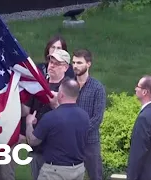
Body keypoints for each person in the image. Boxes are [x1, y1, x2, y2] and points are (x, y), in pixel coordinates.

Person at [26, 78, 89, 180]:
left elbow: (33, 141)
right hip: (78, 169)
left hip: (55, 172)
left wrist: (29, 123)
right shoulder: (85, 116)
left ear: (61, 95)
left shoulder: (50, 117)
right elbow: (66, 121)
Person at [21, 49, 70, 180]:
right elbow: (26, 110)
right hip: (36, 146)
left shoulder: (68, 87)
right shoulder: (38, 84)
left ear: (65, 67)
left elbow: (70, 118)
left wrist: (56, 106)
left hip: (55, 151)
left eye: (57, 63)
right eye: (51, 61)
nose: (52, 65)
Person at [72, 49, 106, 180]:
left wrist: (78, 132)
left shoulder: (97, 88)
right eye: (74, 62)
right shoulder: (69, 85)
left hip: (90, 142)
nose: (75, 66)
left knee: (95, 176)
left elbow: (97, 118)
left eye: (79, 62)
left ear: (88, 64)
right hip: (70, 142)